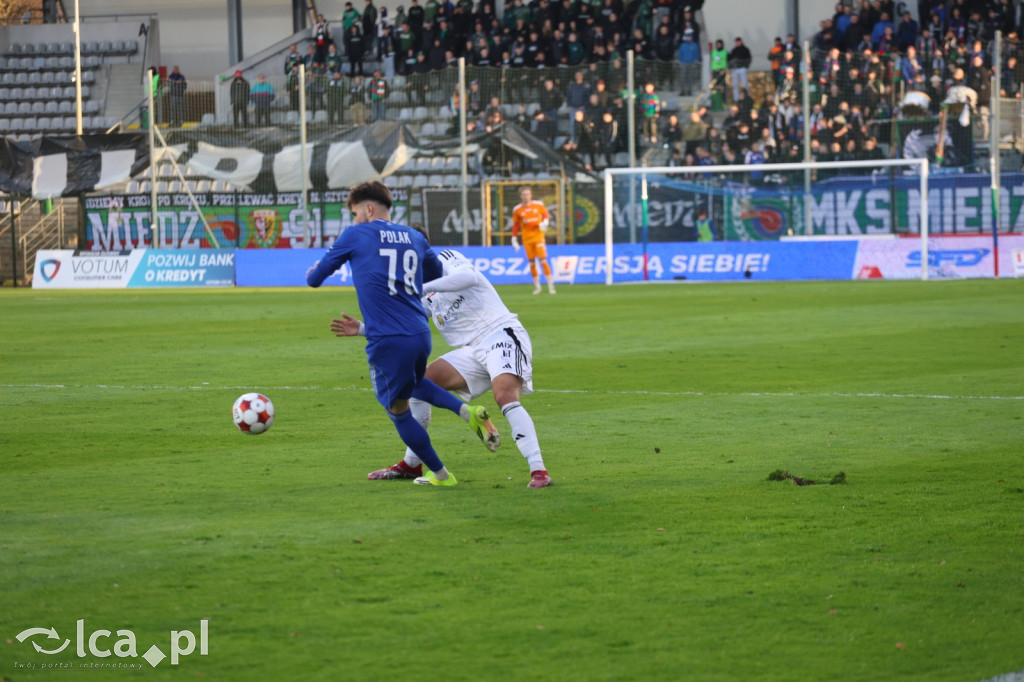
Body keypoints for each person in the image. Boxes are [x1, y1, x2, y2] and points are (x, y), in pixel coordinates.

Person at [306, 182, 500, 487]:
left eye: (355, 212)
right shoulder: (413, 236)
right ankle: (466, 411)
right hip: (420, 334)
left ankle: (441, 475)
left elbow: (316, 279)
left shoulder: (355, 234)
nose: (354, 219)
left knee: (398, 410)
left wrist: (313, 270)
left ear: (368, 209)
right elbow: (435, 277)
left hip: (387, 339)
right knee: (412, 385)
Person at [335, 248, 553, 488]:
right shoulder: (415, 288)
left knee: (504, 396)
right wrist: (364, 329)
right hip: (470, 350)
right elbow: (403, 323)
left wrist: (425, 287)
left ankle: (539, 470)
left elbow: (469, 278)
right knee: (417, 382)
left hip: (500, 333)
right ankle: (412, 463)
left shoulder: (446, 259)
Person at [511, 186, 556, 295]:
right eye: (524, 194)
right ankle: (537, 286)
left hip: (538, 237)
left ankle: (551, 286)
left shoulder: (538, 205)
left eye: (528, 194)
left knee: (543, 260)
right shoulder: (517, 209)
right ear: (521, 196)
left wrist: (545, 223)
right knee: (531, 262)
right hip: (527, 239)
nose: (526, 196)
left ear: (531, 195)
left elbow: (545, 216)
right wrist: (514, 239)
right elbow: (516, 225)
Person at [728, 36, 752, 102]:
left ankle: (746, 98)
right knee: (735, 85)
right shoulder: (734, 50)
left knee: (745, 84)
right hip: (735, 69)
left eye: (739, 42)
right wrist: (731, 66)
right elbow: (730, 59)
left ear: (741, 42)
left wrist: (745, 65)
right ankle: (736, 99)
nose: (738, 43)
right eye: (737, 42)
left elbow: (748, 59)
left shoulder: (745, 49)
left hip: (742, 68)